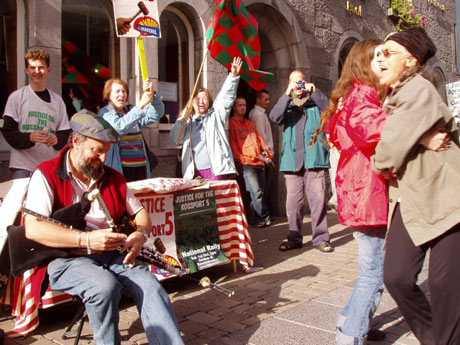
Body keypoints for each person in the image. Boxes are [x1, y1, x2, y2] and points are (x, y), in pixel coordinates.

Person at [23, 110, 184, 345]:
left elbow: (141, 214)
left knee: (151, 286)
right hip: (67, 257)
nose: (101, 159)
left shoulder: (113, 177)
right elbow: (33, 228)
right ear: (75, 141)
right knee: (104, 287)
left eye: (105, 153)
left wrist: (140, 233)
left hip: (113, 254)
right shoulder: (46, 174)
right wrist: (85, 240)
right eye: (95, 151)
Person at [374, 27, 460, 345]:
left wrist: (406, 141)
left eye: (388, 53)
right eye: (378, 53)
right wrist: (419, 138)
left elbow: (385, 156)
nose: (379, 59)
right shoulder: (394, 98)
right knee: (396, 276)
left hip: (448, 199)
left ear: (410, 61)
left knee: (444, 288)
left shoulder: (418, 91)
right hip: (410, 199)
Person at [320, 39, 388, 344]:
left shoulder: (355, 95)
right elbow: (381, 132)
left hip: (363, 191)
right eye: (378, 57)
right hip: (368, 193)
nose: (385, 62)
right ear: (363, 63)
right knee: (374, 273)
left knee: (371, 271)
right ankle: (350, 335)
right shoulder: (363, 96)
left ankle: (351, 319)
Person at [269, 71, 333, 253]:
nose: (299, 87)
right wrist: (287, 94)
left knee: (318, 200)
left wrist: (316, 91)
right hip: (292, 161)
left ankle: (321, 238)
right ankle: (294, 237)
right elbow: (274, 117)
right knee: (293, 203)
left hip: (315, 160)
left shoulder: (316, 104)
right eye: (295, 83)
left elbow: (331, 110)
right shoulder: (287, 107)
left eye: (301, 82)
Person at [1, 48, 71, 179]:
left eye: (41, 67)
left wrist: (56, 139)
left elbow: (64, 132)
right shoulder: (16, 97)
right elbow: (8, 131)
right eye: (32, 67)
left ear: (48, 69)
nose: (37, 71)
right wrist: (29, 137)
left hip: (50, 167)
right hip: (23, 167)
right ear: (27, 70)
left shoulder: (58, 100)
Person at [170, 57, 243, 180]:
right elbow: (175, 138)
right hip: (193, 173)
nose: (201, 101)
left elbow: (226, 96)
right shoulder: (187, 122)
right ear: (192, 102)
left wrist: (233, 76)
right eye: (197, 98)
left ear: (209, 102)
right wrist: (183, 118)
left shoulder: (215, 115)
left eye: (204, 98)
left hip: (215, 171)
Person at [98, 78, 164, 182]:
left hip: (141, 168)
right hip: (120, 170)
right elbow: (119, 127)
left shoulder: (131, 110)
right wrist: (140, 105)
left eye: (124, 91)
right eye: (117, 91)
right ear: (108, 95)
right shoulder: (105, 113)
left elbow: (155, 115)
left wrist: (153, 96)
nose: (121, 94)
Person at [229, 96, 273, 227]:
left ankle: (255, 220)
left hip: (259, 161)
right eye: (239, 105)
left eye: (244, 105)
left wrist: (267, 154)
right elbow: (233, 143)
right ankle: (264, 216)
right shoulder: (232, 123)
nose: (242, 107)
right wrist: (240, 160)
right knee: (256, 192)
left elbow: (260, 140)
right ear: (234, 107)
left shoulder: (250, 123)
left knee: (257, 193)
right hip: (247, 163)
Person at [248, 89, 275, 214]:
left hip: (263, 155)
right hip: (263, 156)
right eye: (266, 99)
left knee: (261, 189)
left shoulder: (259, 113)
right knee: (261, 189)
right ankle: (260, 215)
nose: (268, 102)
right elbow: (261, 137)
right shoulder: (258, 115)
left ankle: (261, 214)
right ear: (258, 99)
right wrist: (267, 156)